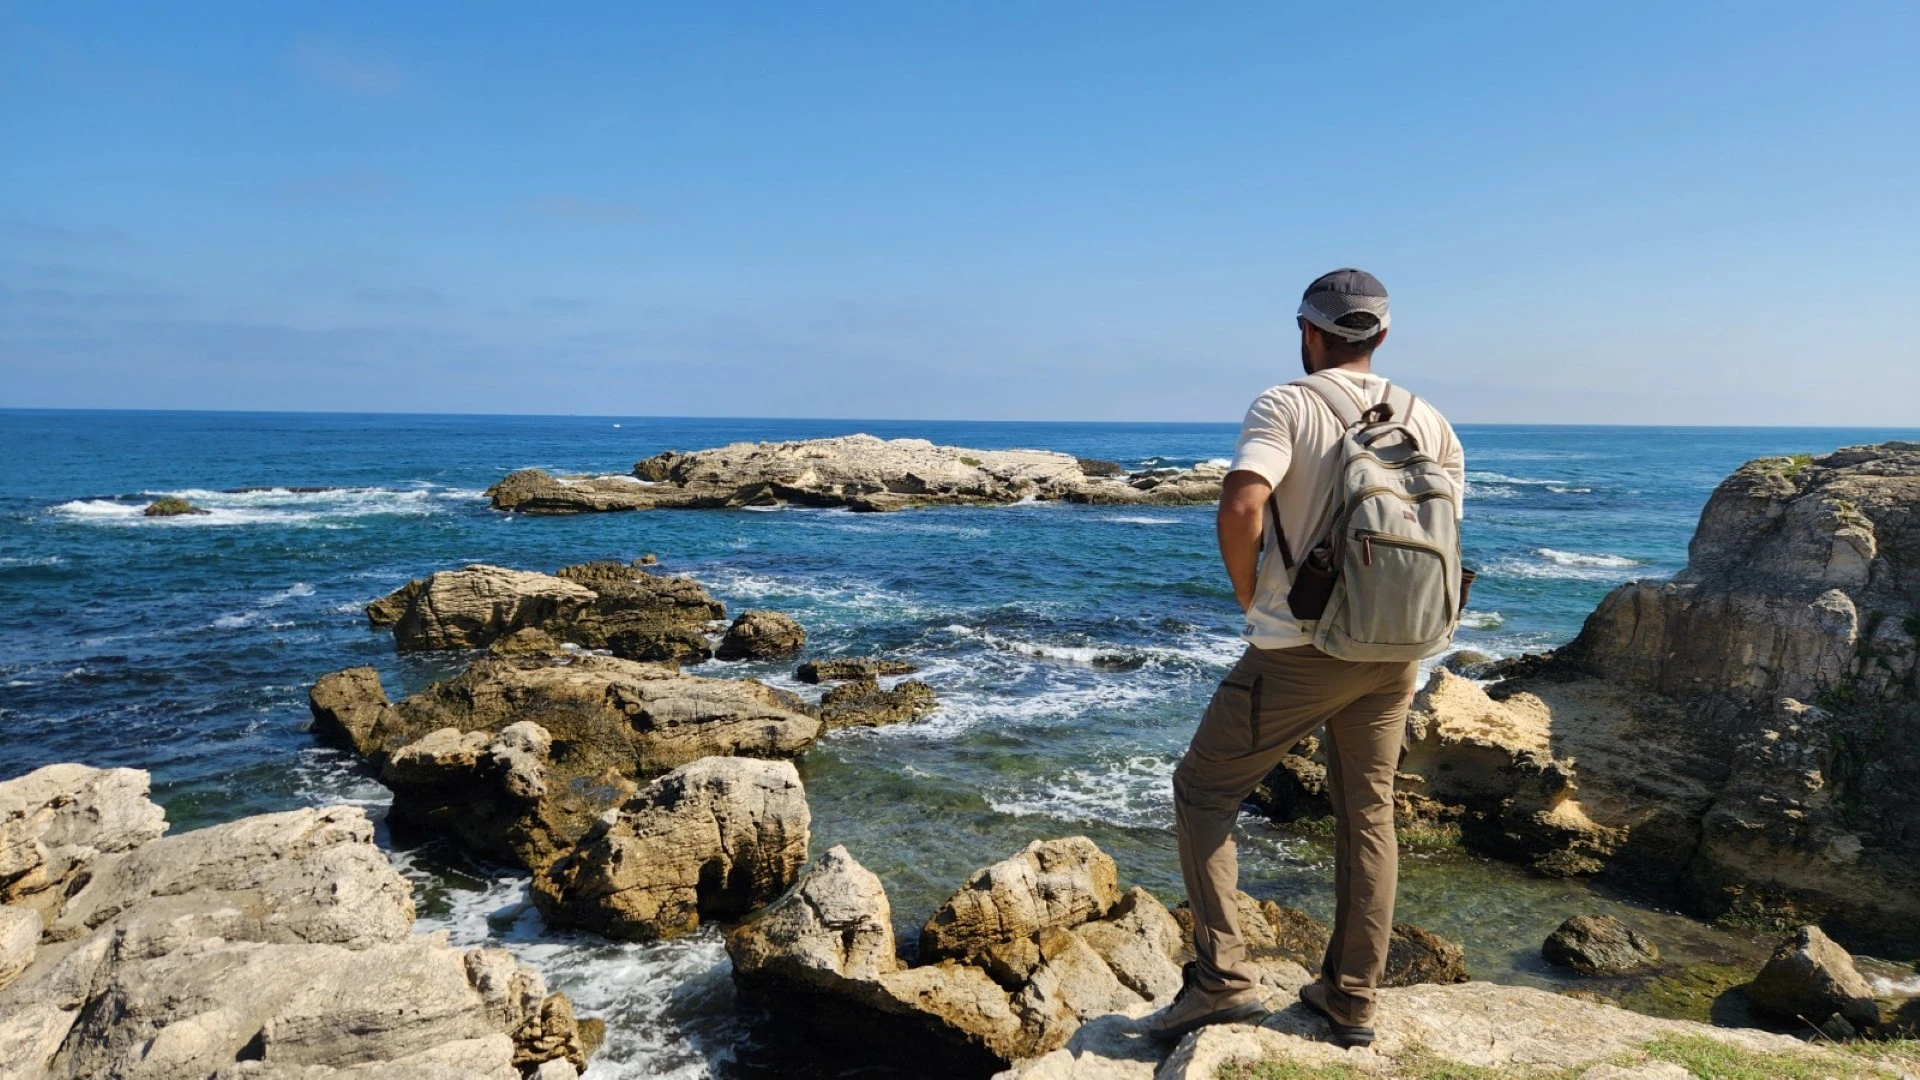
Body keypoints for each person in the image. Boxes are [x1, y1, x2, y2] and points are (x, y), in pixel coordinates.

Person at [1148, 268, 1466, 1046]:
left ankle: (1222, 978)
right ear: (1383, 336)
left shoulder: (1287, 402)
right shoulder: (1434, 421)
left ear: (1307, 332)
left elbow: (1242, 501)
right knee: (1368, 811)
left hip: (1300, 645)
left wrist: (1248, 593)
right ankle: (1352, 997)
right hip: (1399, 650)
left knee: (1203, 790)